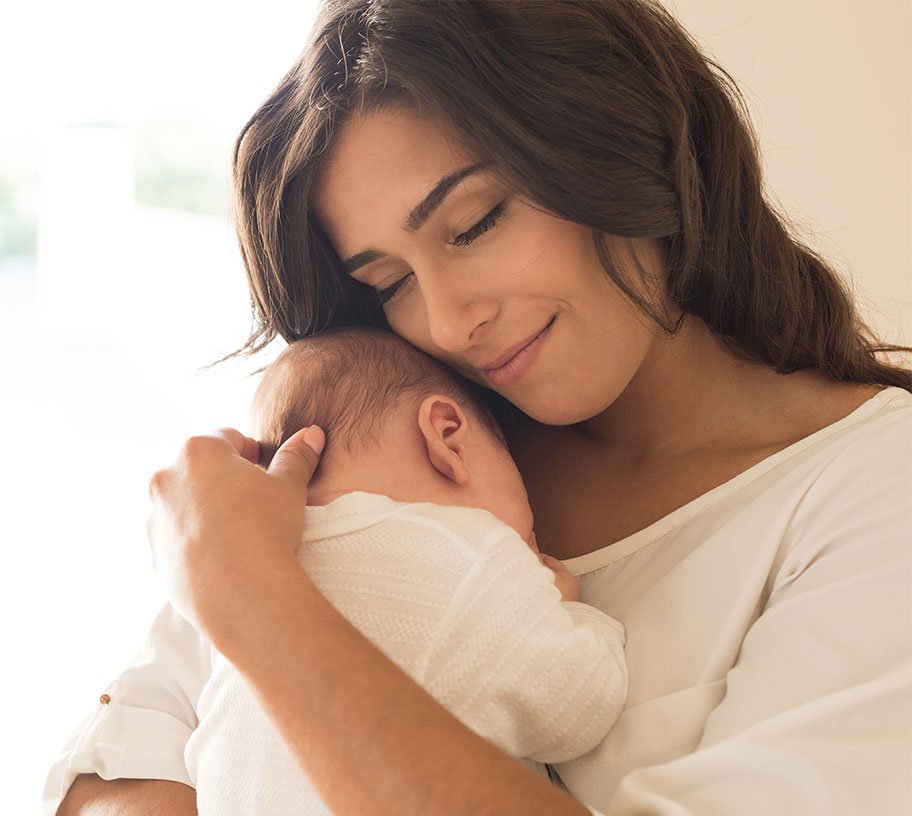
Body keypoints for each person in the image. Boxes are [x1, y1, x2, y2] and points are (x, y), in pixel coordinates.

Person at [52, 1, 912, 813]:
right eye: (389, 283)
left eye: (473, 224)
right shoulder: (395, 457)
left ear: (617, 138)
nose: (450, 322)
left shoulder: (872, 493)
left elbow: (219, 640)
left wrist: (253, 600)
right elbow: (107, 775)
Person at [183, 327, 627, 815]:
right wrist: (569, 611)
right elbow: (580, 707)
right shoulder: (467, 552)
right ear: (448, 436)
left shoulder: (244, 593)